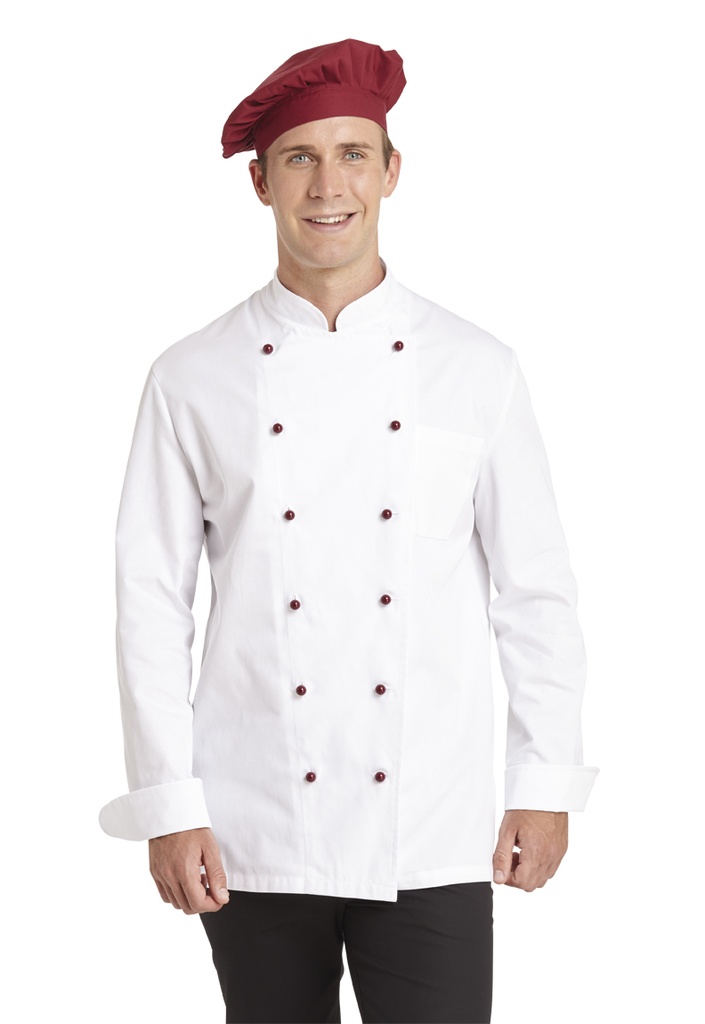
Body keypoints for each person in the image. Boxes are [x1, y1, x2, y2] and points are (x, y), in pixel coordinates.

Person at [99, 38, 598, 1024]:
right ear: (260, 183)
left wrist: (544, 783)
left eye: (353, 155)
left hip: (430, 822)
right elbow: (149, 603)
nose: (328, 186)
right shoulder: (190, 377)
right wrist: (169, 803)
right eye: (299, 158)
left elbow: (535, 591)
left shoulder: (476, 367)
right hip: (251, 824)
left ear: (391, 171)